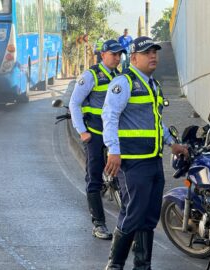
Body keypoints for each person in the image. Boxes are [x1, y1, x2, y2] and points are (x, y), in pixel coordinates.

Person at [102, 36, 188, 269]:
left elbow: (156, 122)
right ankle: (115, 265)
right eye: (147, 52)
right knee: (133, 214)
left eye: (155, 52)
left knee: (149, 217)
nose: (153, 55)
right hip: (132, 162)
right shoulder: (124, 82)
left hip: (153, 160)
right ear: (134, 58)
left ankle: (142, 265)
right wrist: (113, 151)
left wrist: (172, 143)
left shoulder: (153, 85)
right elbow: (109, 117)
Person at [69, 40, 126, 240]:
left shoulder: (121, 78)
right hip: (95, 134)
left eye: (120, 54)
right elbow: (74, 103)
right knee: (93, 178)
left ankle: (128, 224)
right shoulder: (91, 75)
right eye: (113, 54)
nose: (117, 58)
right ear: (103, 55)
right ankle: (99, 224)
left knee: (125, 176)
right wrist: (82, 132)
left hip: (116, 136)